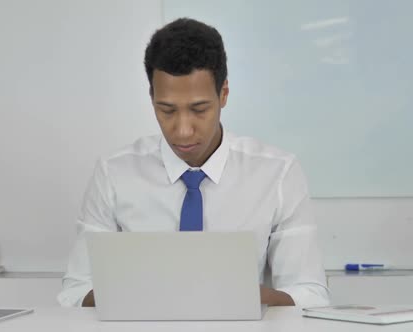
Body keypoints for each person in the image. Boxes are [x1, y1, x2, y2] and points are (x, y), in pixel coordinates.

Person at [57, 18, 329, 308]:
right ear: (151, 97)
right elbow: (75, 291)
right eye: (167, 110)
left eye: (199, 109)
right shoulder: (114, 173)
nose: (183, 130)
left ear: (223, 94)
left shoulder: (278, 173)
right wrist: (139, 292)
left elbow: (310, 294)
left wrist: (241, 295)